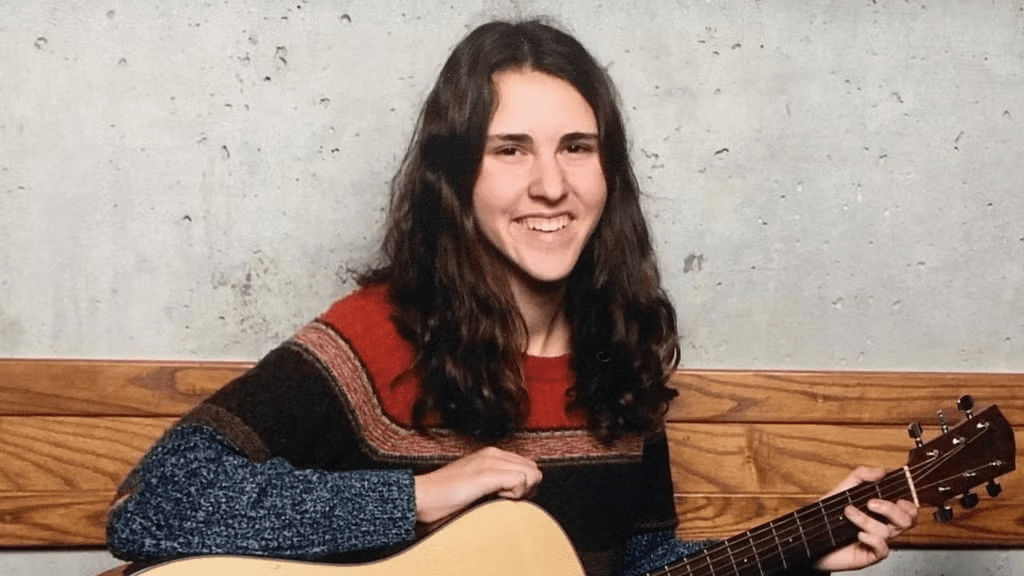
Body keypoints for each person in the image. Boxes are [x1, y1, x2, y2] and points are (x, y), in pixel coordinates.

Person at [105, 19, 917, 576]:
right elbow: (151, 506)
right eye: (510, 149)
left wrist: (798, 549)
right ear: (458, 178)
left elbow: (636, 566)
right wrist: (416, 498)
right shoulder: (377, 340)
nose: (551, 185)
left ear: (610, 175)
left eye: (577, 147)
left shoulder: (618, 359)